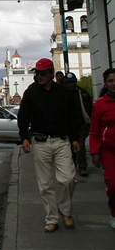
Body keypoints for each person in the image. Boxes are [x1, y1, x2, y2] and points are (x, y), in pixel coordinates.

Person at [18, 57, 81, 233]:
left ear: (51, 73)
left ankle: (65, 211)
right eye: (37, 73)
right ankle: (52, 218)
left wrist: (75, 138)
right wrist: (24, 137)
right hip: (40, 142)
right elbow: (23, 116)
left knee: (68, 179)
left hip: (61, 141)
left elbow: (74, 116)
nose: (40, 76)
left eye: (43, 73)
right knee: (45, 184)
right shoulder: (31, 92)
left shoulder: (63, 92)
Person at [90, 68, 115, 230]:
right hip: (109, 151)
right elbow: (94, 131)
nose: (114, 84)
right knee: (112, 185)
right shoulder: (100, 105)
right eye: (110, 81)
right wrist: (95, 152)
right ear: (105, 84)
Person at [63, 72, 94, 177]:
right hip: (68, 126)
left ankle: (82, 167)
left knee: (80, 145)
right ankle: (72, 166)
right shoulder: (62, 94)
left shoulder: (83, 93)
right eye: (68, 83)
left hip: (82, 124)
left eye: (72, 82)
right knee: (69, 146)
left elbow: (89, 108)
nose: (71, 85)